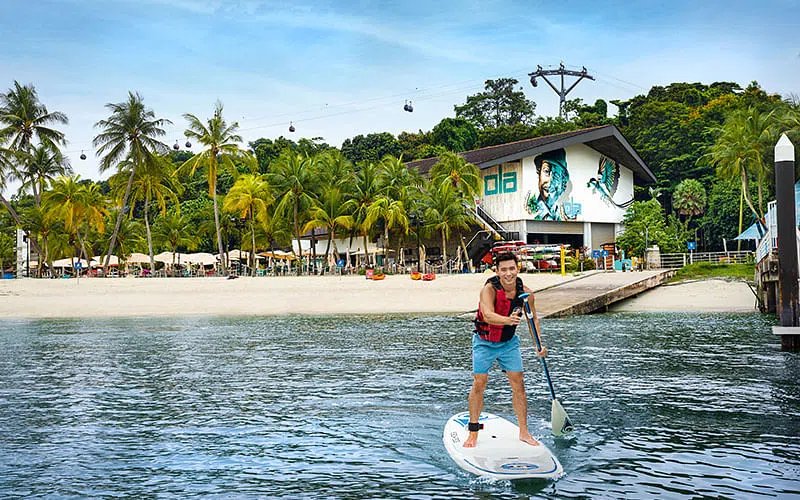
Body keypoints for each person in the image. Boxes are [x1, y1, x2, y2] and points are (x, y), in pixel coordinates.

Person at [463, 251, 547, 448]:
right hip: (484, 342)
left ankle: (524, 432)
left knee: (519, 384)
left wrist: (539, 344)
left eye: (512, 269)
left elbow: (532, 318)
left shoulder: (526, 293)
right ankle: (473, 432)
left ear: (517, 269)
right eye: (504, 270)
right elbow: (488, 314)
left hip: (509, 343)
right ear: (497, 271)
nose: (508, 273)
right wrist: (508, 320)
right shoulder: (489, 290)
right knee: (479, 383)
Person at [526, 148, 571, 221]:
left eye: (556, 175)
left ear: (563, 183)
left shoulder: (564, 212)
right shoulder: (533, 210)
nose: (550, 182)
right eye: (546, 171)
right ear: (539, 173)